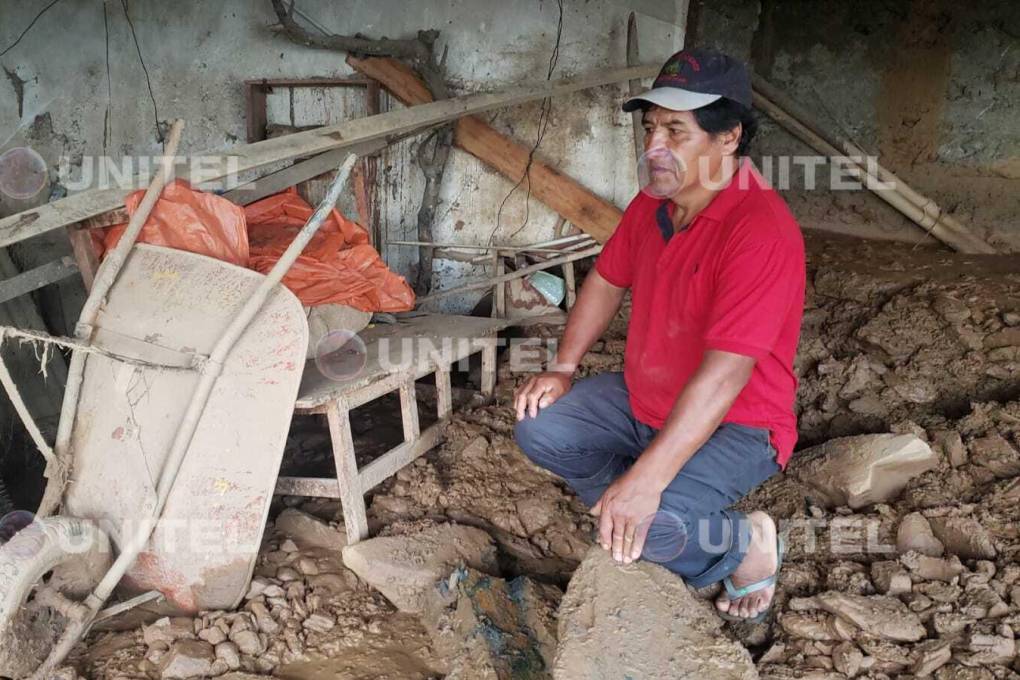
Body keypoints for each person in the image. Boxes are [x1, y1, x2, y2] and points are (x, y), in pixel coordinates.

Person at [513, 48, 805, 622]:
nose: (653, 146)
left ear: (729, 137)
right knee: (542, 427)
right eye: (649, 128)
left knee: (657, 531)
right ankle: (623, 504)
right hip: (644, 400)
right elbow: (605, 279)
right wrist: (564, 368)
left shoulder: (760, 231)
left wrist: (648, 481)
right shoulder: (654, 203)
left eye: (676, 129)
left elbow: (725, 375)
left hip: (740, 424)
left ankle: (745, 545)